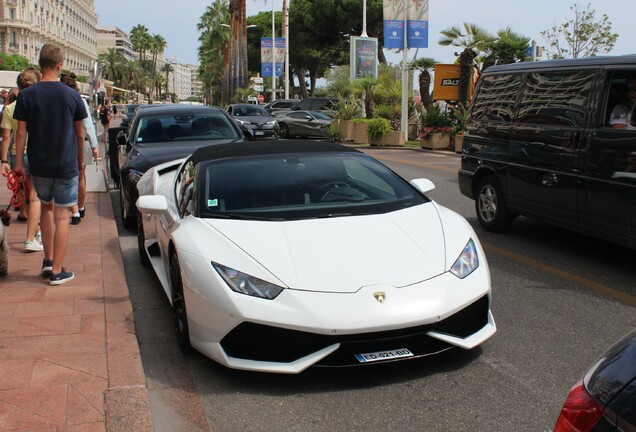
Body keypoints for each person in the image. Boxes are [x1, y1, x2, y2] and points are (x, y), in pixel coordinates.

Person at [13, 43, 87, 285]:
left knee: (45, 207)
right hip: (65, 163)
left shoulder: (26, 95)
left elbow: (20, 134)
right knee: (62, 215)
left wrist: (19, 164)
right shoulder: (72, 96)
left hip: (39, 162)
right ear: (60, 65)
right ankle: (57, 270)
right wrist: (81, 160)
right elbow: (79, 134)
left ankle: (47, 259)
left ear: (40, 64)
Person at [1, 69, 42, 252]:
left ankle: (33, 226)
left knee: (23, 193)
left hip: (16, 155)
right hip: (34, 153)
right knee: (35, 197)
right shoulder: (39, 105)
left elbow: (6, 137)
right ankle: (30, 237)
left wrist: (4, 161)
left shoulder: (10, 108)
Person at [60, 73, 99, 225]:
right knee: (81, 177)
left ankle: (72, 207)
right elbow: (88, 126)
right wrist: (95, 146)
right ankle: (80, 207)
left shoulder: (59, 100)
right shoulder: (80, 100)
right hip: (82, 143)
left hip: (64, 144)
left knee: (66, 179)